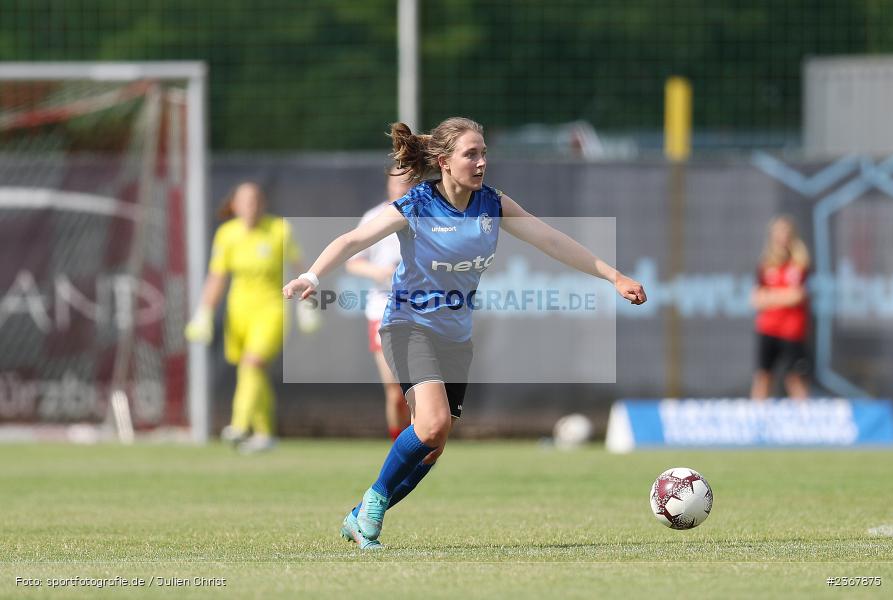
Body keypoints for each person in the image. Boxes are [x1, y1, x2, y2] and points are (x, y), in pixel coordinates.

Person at [282, 117, 646, 549]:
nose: (481, 162)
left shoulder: (491, 204)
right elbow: (352, 241)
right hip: (406, 324)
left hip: (454, 338)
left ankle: (359, 516)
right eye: (470, 154)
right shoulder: (417, 203)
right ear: (444, 162)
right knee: (432, 425)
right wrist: (312, 276)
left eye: (484, 153)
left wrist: (613, 275)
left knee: (432, 446)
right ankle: (373, 507)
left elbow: (551, 240)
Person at [186, 182, 312, 453]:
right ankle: (265, 434)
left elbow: (300, 267)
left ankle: (239, 424)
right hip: (239, 312)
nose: (250, 206)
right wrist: (204, 312)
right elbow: (218, 276)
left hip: (272, 309)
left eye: (255, 200)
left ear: (262, 203)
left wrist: (307, 305)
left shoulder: (280, 230)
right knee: (254, 372)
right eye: (244, 201)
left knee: (252, 363)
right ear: (234, 205)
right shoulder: (227, 234)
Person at [345, 168, 415, 440]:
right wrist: (381, 273)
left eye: (406, 181)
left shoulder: (427, 216)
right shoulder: (374, 218)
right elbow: (354, 261)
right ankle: (399, 446)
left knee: (416, 389)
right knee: (394, 390)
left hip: (420, 310)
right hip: (382, 309)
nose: (400, 186)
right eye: (395, 180)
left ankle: (419, 448)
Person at [750, 215, 810, 400]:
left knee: (794, 378)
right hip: (768, 328)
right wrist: (783, 295)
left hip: (791, 331)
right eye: (778, 232)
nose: (782, 236)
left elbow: (797, 296)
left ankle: (807, 424)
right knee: (763, 376)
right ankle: (755, 423)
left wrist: (771, 296)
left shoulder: (799, 264)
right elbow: (755, 299)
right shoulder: (766, 265)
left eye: (786, 232)